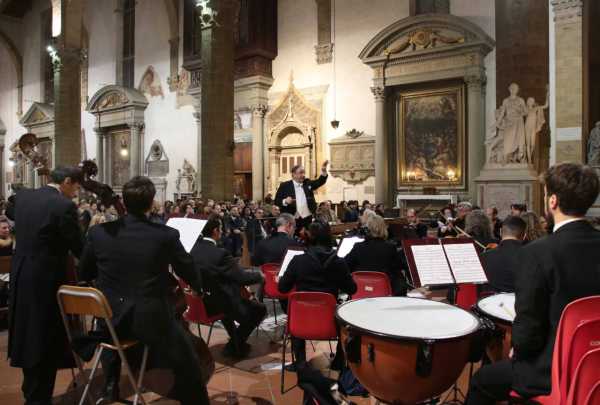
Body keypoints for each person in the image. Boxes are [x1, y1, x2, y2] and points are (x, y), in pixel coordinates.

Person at [466, 163, 600, 404]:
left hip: (552, 373)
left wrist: (518, 348)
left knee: (481, 381)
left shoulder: (538, 253)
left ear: (553, 201)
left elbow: (528, 332)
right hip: (595, 365)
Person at [79, 176, 208, 405]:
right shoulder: (164, 235)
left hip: (112, 321)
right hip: (149, 322)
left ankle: (111, 386)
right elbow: (186, 267)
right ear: (151, 203)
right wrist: (198, 287)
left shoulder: (99, 234)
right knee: (189, 360)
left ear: (125, 203)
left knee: (109, 324)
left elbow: (85, 272)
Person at [7, 166, 84, 405]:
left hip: (21, 274)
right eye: (76, 187)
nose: (76, 192)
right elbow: (79, 247)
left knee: (27, 334)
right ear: (68, 182)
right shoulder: (64, 206)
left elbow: (11, 210)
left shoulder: (23, 197)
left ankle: (32, 392)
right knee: (45, 339)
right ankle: (40, 398)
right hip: (47, 280)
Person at [278, 221, 357, 369]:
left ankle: (300, 362)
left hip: (300, 322)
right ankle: (339, 360)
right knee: (347, 318)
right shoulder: (338, 262)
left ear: (310, 237)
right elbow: (352, 289)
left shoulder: (298, 260)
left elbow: (282, 288)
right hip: (329, 323)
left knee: (296, 309)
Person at [190, 215, 266, 358]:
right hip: (221, 303)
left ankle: (236, 343)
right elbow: (242, 278)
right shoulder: (220, 254)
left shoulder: (193, 250)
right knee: (260, 309)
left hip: (202, 302)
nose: (223, 231)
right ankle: (234, 345)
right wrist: (260, 276)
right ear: (215, 231)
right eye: (221, 228)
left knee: (228, 294)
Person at [345, 214, 408, 296]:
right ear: (383, 228)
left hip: (360, 292)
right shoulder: (390, 248)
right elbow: (399, 266)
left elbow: (346, 265)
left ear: (367, 229)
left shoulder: (358, 247)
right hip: (383, 293)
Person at [274, 160, 329, 232]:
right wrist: (285, 201)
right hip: (292, 219)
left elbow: (319, 182)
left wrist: (324, 171)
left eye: (304, 173)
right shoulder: (285, 185)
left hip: (307, 219)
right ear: (293, 174)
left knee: (308, 240)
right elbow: (276, 201)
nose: (303, 175)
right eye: (300, 173)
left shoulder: (307, 183)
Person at [480, 215, 527, 293]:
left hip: (490, 303)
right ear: (524, 236)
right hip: (521, 303)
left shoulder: (483, 257)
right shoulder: (532, 256)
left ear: (501, 232)